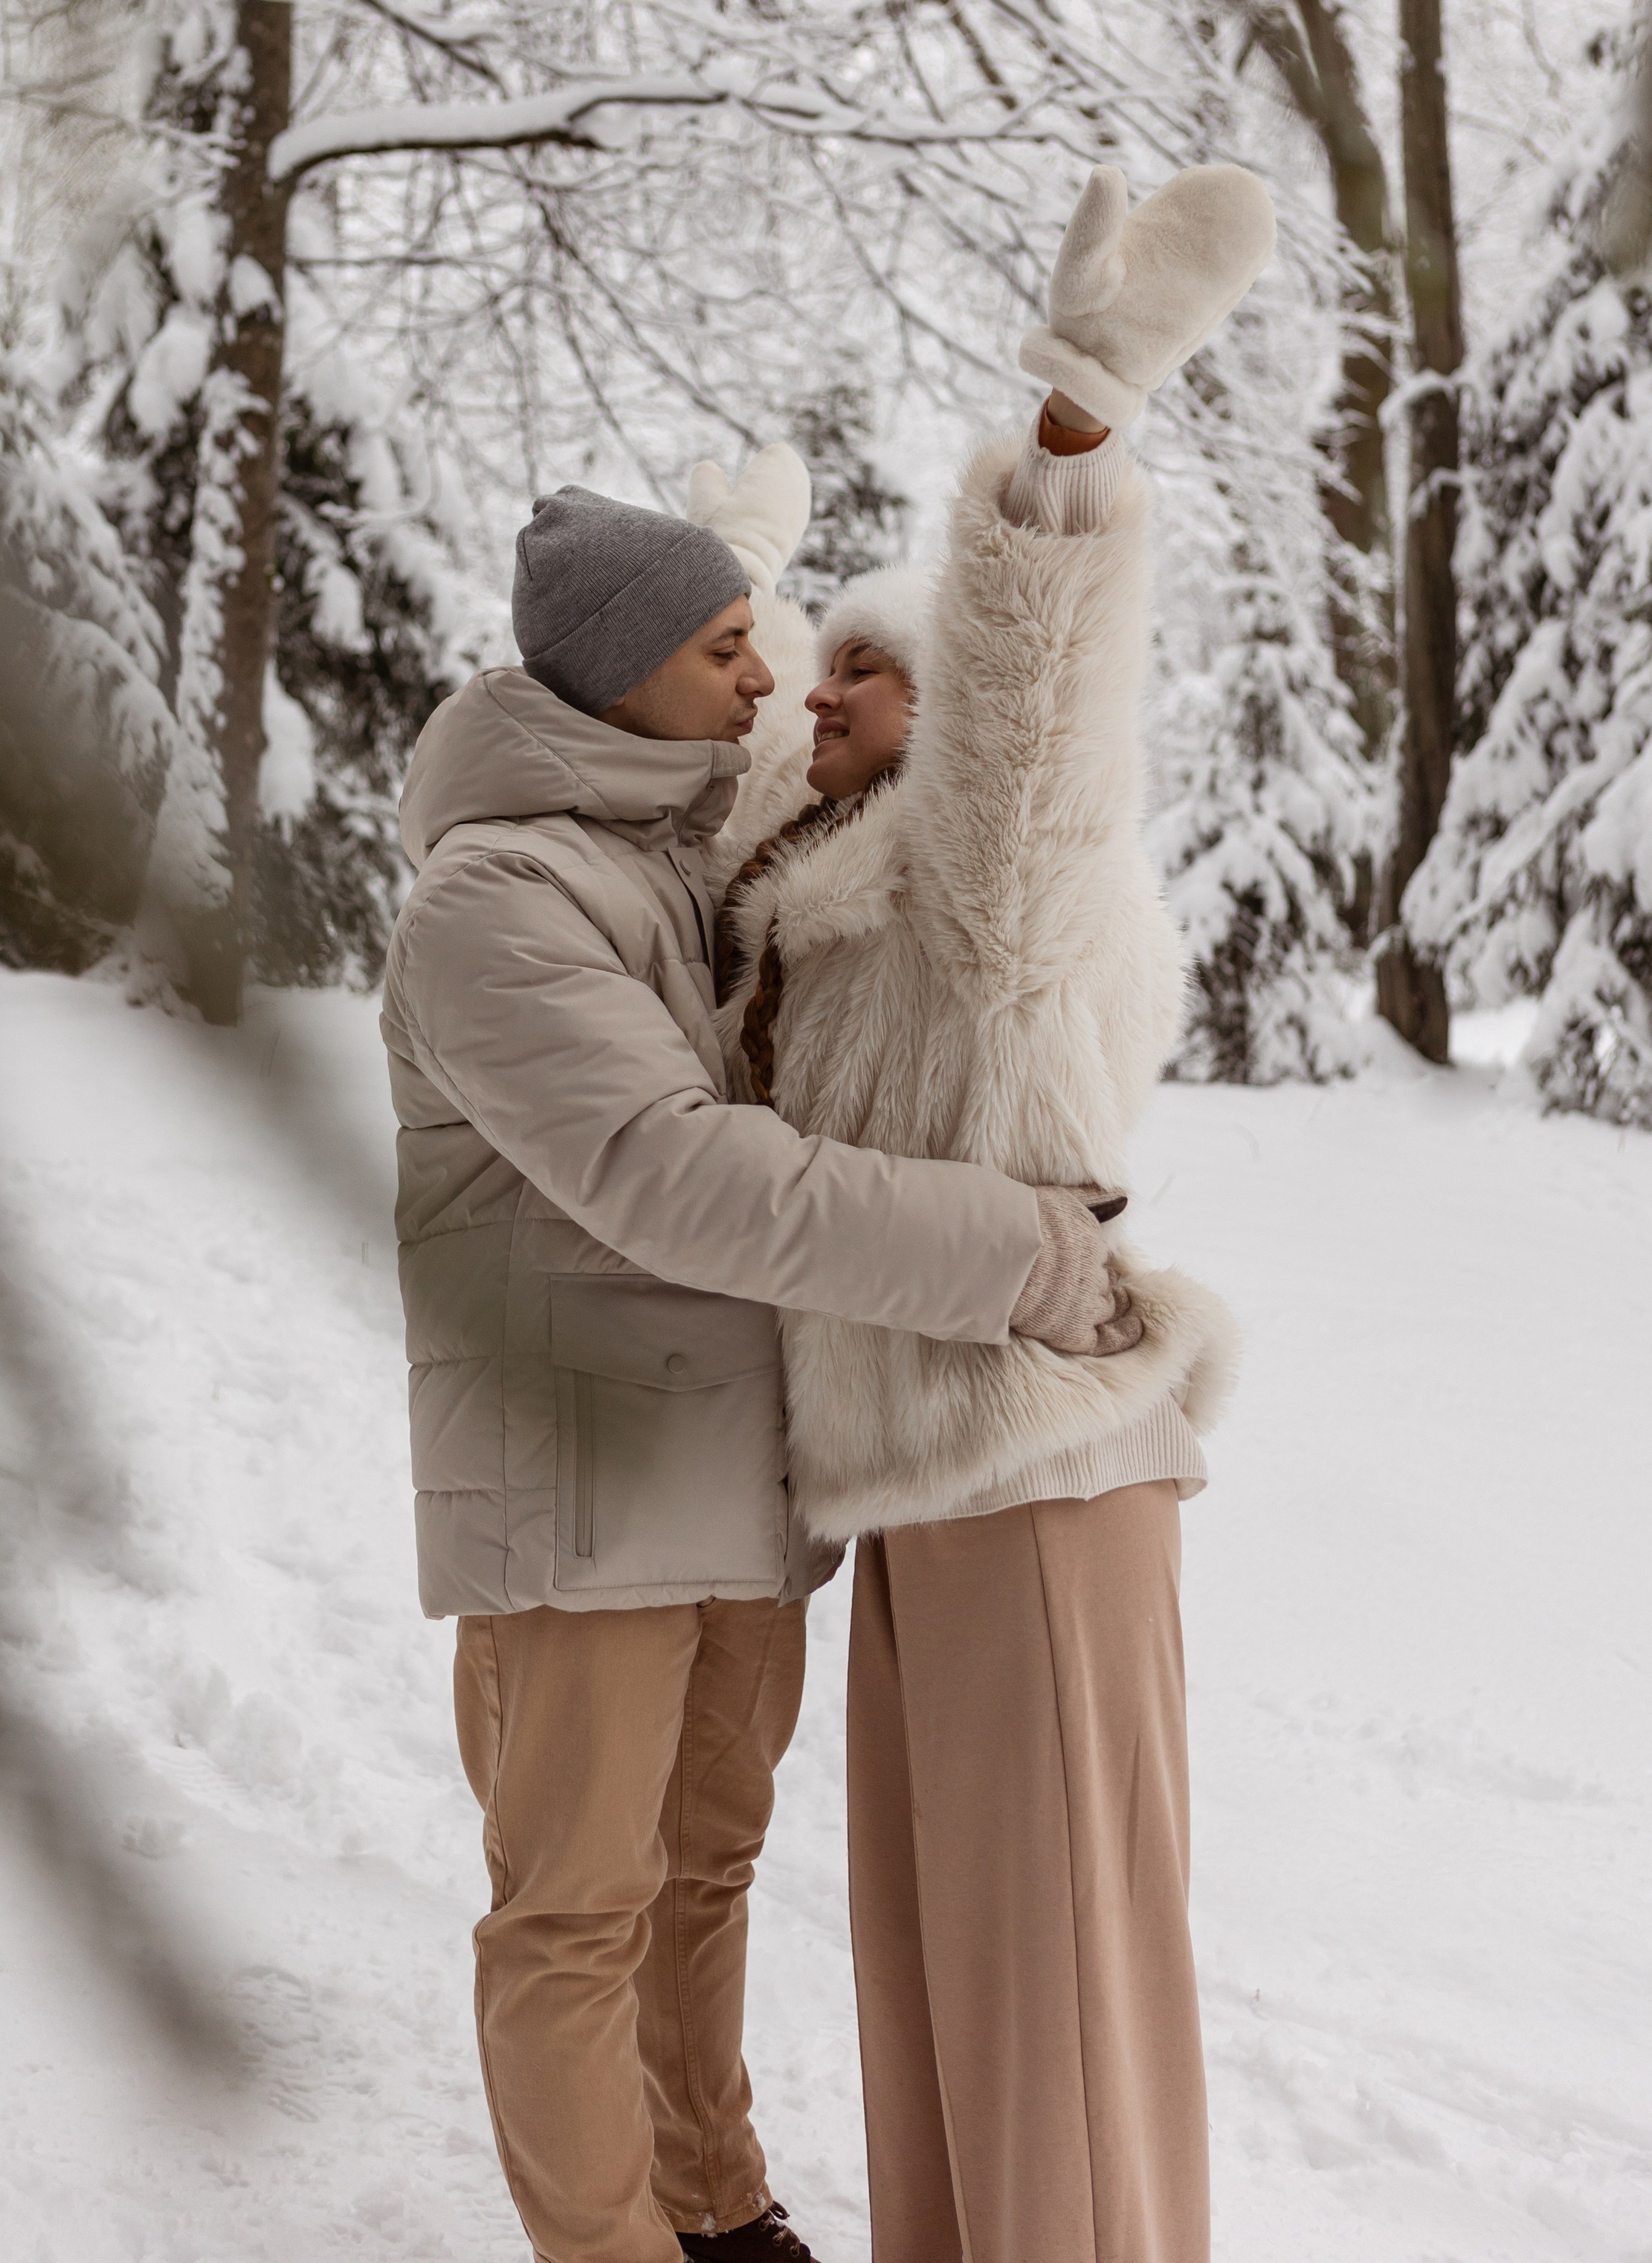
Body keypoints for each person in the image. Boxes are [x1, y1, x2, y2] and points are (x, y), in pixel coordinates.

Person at [380, 475, 1141, 2263]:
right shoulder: (493, 902)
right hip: (579, 1491)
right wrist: (1013, 1250)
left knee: (702, 1873)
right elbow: (678, 1178)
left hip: (729, 1477)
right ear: (620, 672)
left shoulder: (672, 860)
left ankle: (714, 2210)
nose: (759, 682)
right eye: (725, 649)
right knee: (573, 1912)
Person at [705, 162, 1274, 2263]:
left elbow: (1033, 721)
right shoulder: (831, 927)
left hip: (1037, 1482)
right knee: (939, 1991)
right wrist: (723, 577)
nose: (816, 693)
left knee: (1055, 2003)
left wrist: (1070, 445)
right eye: (814, 669)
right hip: (919, 1504)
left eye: (860, 670)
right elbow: (729, 765)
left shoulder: (996, 896)